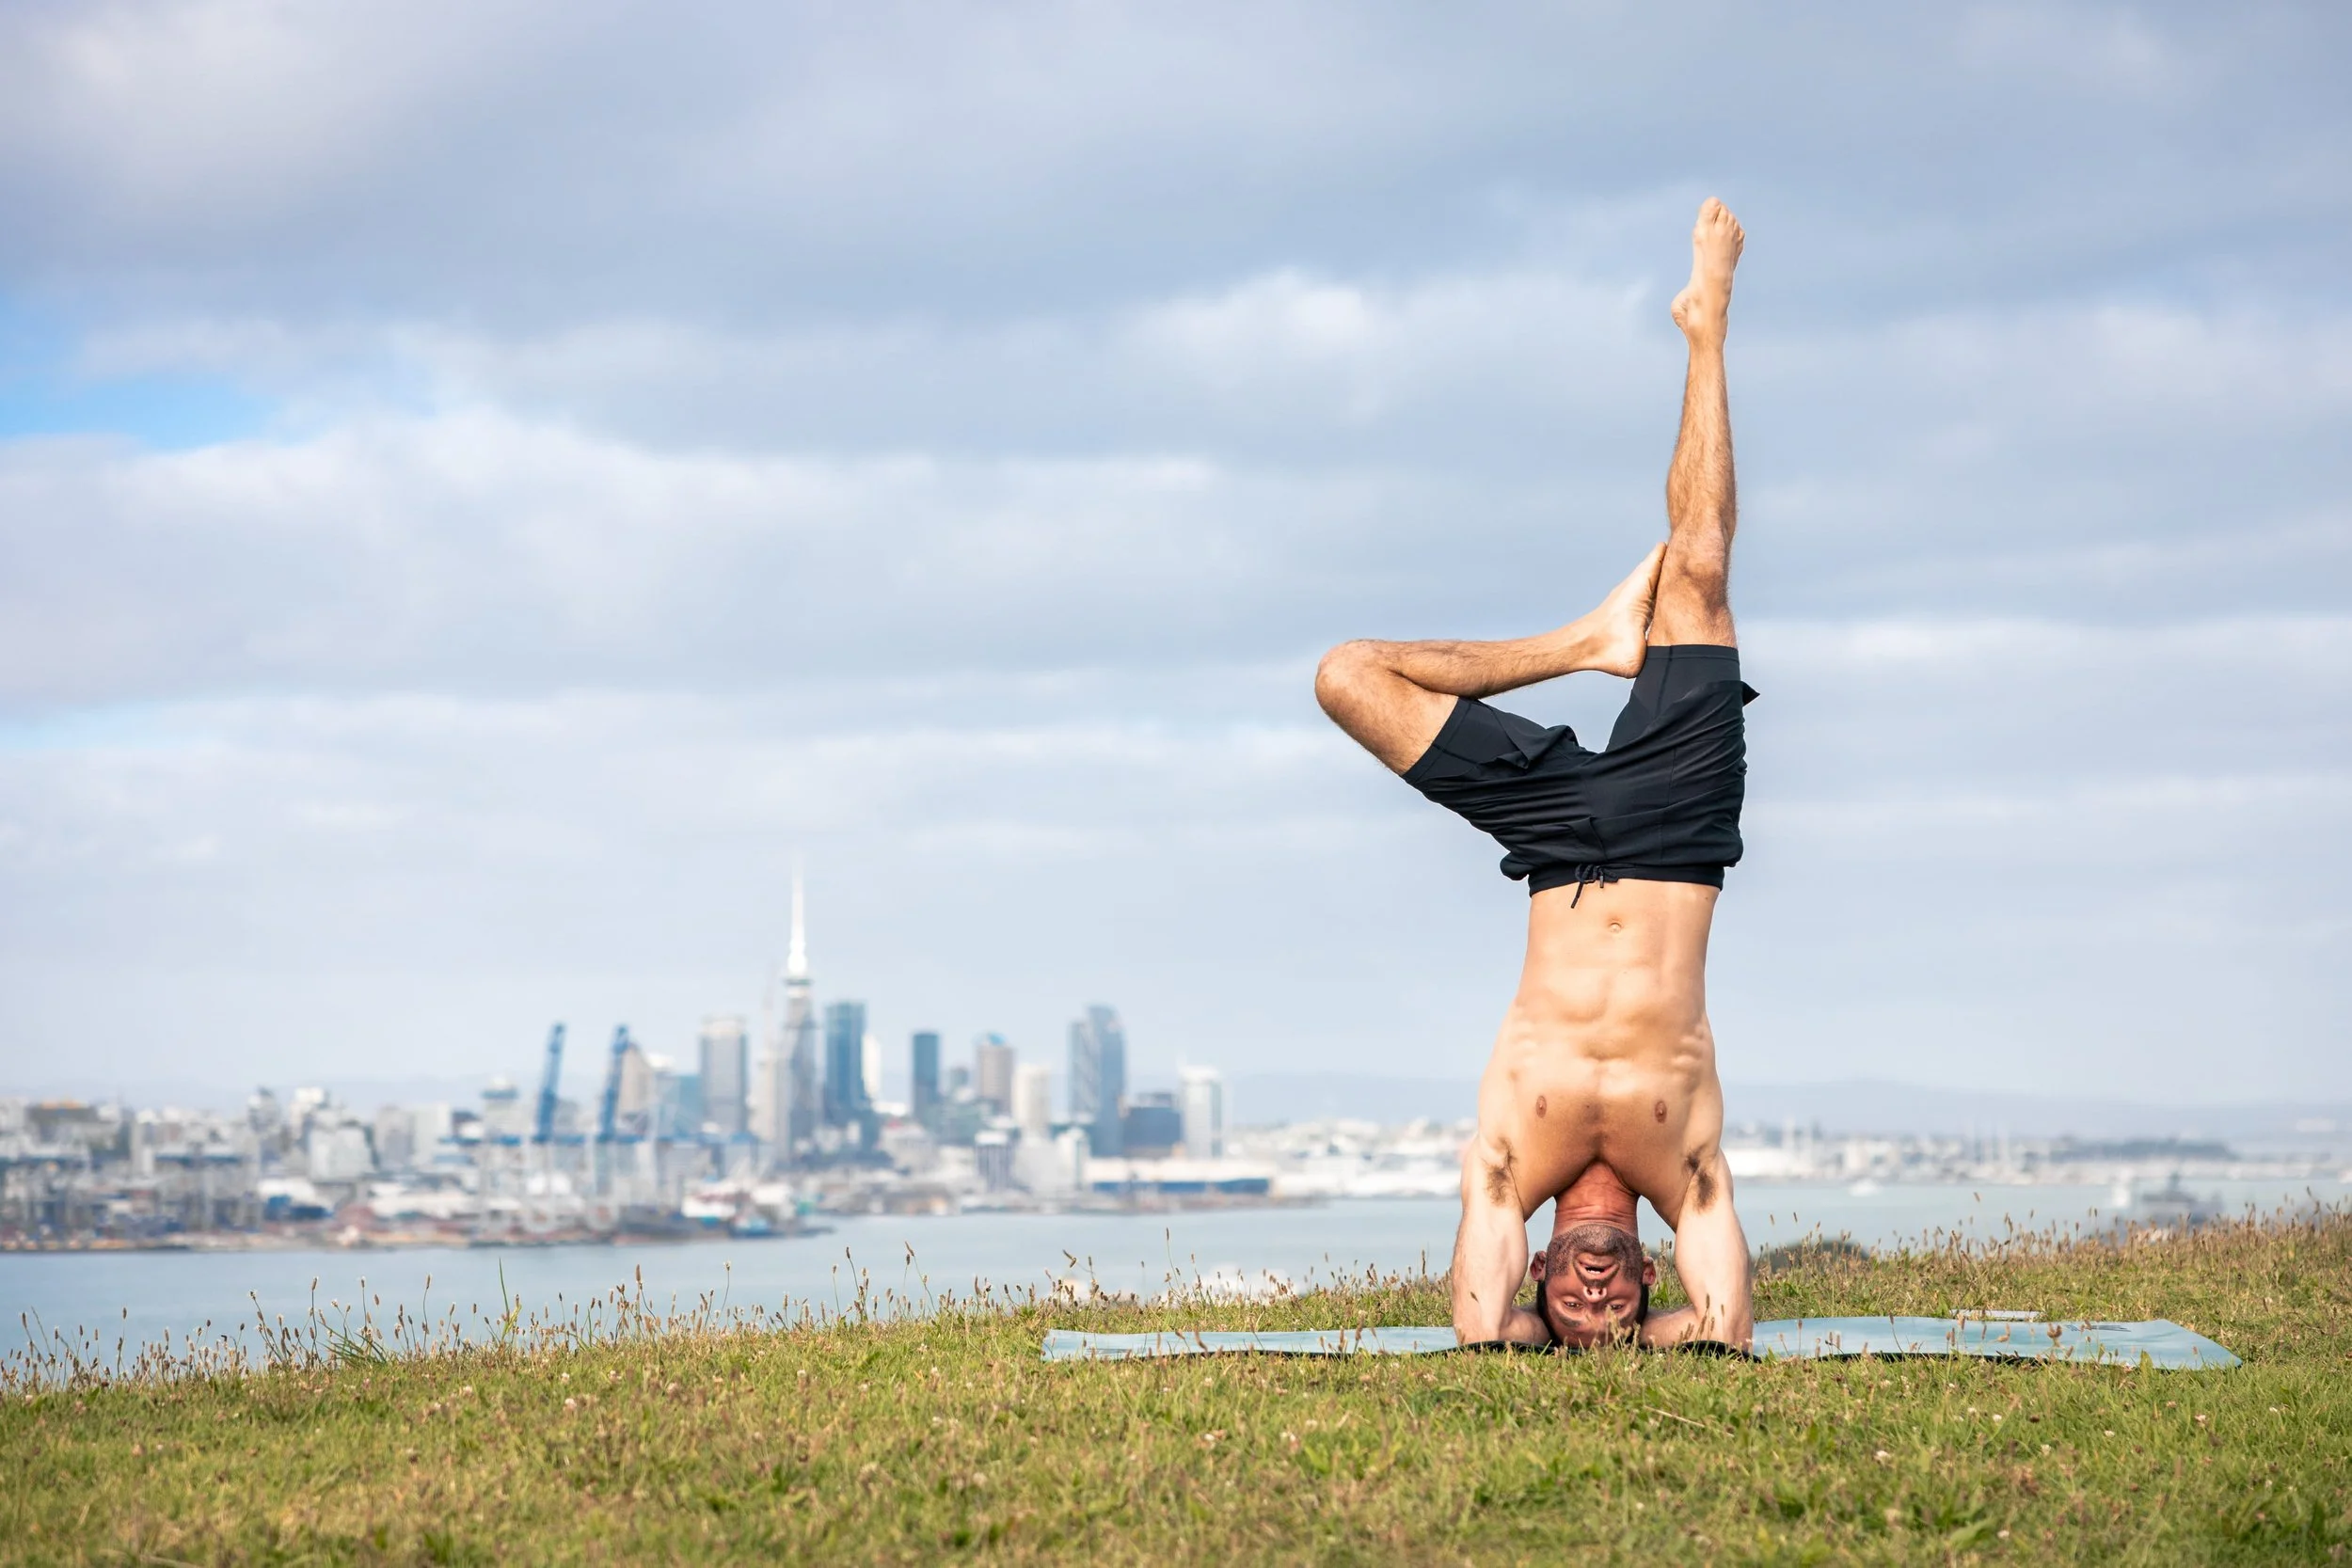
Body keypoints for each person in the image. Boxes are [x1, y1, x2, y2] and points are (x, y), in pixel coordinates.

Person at [1313, 198, 1756, 1349]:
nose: (1597, 1296)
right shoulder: (1686, 1162)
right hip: (1675, 838)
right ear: (1648, 1275)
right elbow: (1724, 1329)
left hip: (1557, 842)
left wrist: (1517, 1332)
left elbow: (1474, 1330)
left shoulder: (1512, 1158)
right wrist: (1631, 1345)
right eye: (1617, 1306)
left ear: (1538, 1277)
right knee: (1698, 569)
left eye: (1571, 1303)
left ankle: (1578, 642)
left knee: (1345, 675)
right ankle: (1705, 328)